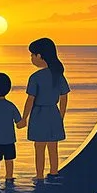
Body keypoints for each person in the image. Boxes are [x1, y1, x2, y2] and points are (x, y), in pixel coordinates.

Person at [22, 38, 69, 182]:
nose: (31, 58)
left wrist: (24, 118)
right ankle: (54, 172)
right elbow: (64, 97)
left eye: (32, 55)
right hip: (53, 113)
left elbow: (30, 100)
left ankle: (39, 175)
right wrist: (61, 115)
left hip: (39, 114)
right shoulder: (57, 75)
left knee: (39, 148)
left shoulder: (35, 77)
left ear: (40, 56)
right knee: (53, 147)